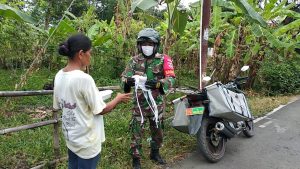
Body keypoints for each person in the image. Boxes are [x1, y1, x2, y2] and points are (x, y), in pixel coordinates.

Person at [53, 33, 131, 169]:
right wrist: (117, 99)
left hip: (71, 137)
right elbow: (100, 110)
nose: (91, 56)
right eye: (90, 53)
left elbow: (62, 103)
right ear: (81, 54)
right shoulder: (84, 79)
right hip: (86, 141)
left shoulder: (59, 75)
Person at [121, 28, 176, 169]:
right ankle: (136, 158)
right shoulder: (133, 61)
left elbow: (171, 79)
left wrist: (159, 83)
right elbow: (123, 78)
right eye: (144, 43)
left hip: (156, 104)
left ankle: (155, 153)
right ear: (139, 45)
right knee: (136, 131)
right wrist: (127, 82)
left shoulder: (164, 59)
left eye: (150, 44)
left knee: (157, 130)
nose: (147, 47)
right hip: (138, 104)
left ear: (156, 45)